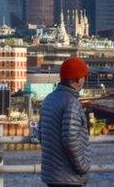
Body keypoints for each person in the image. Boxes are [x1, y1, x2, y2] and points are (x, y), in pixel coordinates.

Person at [40, 56, 92, 186]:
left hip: (51, 175)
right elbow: (70, 139)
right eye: (84, 77)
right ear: (79, 79)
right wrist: (82, 167)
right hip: (69, 177)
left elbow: (41, 133)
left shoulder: (49, 99)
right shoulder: (72, 103)